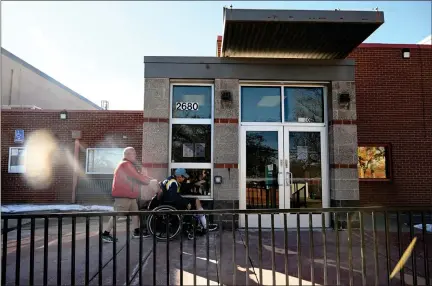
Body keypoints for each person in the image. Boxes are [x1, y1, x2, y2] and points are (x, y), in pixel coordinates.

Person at [102, 147, 152, 242]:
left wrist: (148, 179)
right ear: (127, 154)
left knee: (135, 213)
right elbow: (138, 177)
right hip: (123, 195)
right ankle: (105, 234)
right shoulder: (125, 164)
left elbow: (138, 176)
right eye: (133, 153)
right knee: (117, 214)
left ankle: (136, 231)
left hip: (130, 195)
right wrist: (150, 181)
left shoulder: (128, 165)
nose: (135, 155)